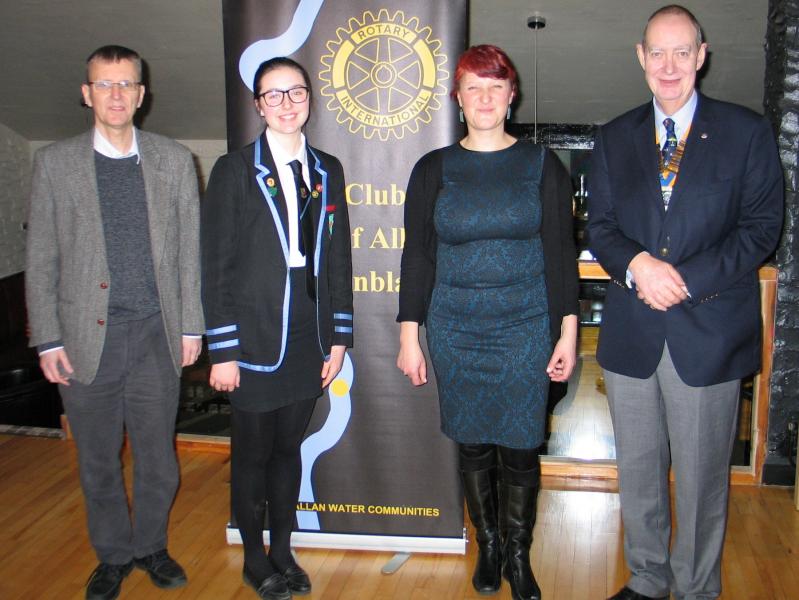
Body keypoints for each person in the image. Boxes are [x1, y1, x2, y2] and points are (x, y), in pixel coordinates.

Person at [586, 6, 784, 600]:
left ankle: (697, 589)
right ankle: (648, 579)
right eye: (657, 52)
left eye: (681, 52)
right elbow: (600, 227)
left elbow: (761, 228)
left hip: (708, 332)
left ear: (702, 55)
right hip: (632, 333)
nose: (668, 66)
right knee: (639, 475)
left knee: (701, 481)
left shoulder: (747, 133)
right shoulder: (614, 136)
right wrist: (638, 264)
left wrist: (684, 279)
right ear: (639, 57)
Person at [397, 45, 579, 600]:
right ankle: (490, 544)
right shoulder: (433, 169)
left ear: (511, 96)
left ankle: (519, 557)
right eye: (473, 87)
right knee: (473, 443)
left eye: (494, 87)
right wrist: (411, 336)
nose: (484, 97)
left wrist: (567, 330)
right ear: (457, 98)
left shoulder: (543, 164)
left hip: (526, 325)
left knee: (521, 445)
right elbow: (417, 256)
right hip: (454, 326)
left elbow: (559, 253)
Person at [25, 45, 203, 600]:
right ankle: (113, 555)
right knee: (97, 459)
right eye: (105, 85)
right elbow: (43, 257)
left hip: (155, 334)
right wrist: (48, 337)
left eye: (127, 84)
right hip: (83, 339)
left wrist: (191, 327)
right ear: (87, 94)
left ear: (142, 94)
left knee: (158, 457)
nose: (117, 94)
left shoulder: (174, 160)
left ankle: (151, 546)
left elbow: (188, 253)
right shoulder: (56, 163)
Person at [201, 57, 353, 600]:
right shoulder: (234, 170)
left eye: (296, 92)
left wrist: (338, 338)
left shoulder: (328, 169)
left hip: (309, 339)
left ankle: (283, 549)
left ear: (310, 98)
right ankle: (252, 558)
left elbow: (338, 258)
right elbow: (215, 264)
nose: (287, 104)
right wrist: (223, 350)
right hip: (255, 341)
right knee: (252, 455)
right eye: (274, 95)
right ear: (258, 104)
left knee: (289, 449)